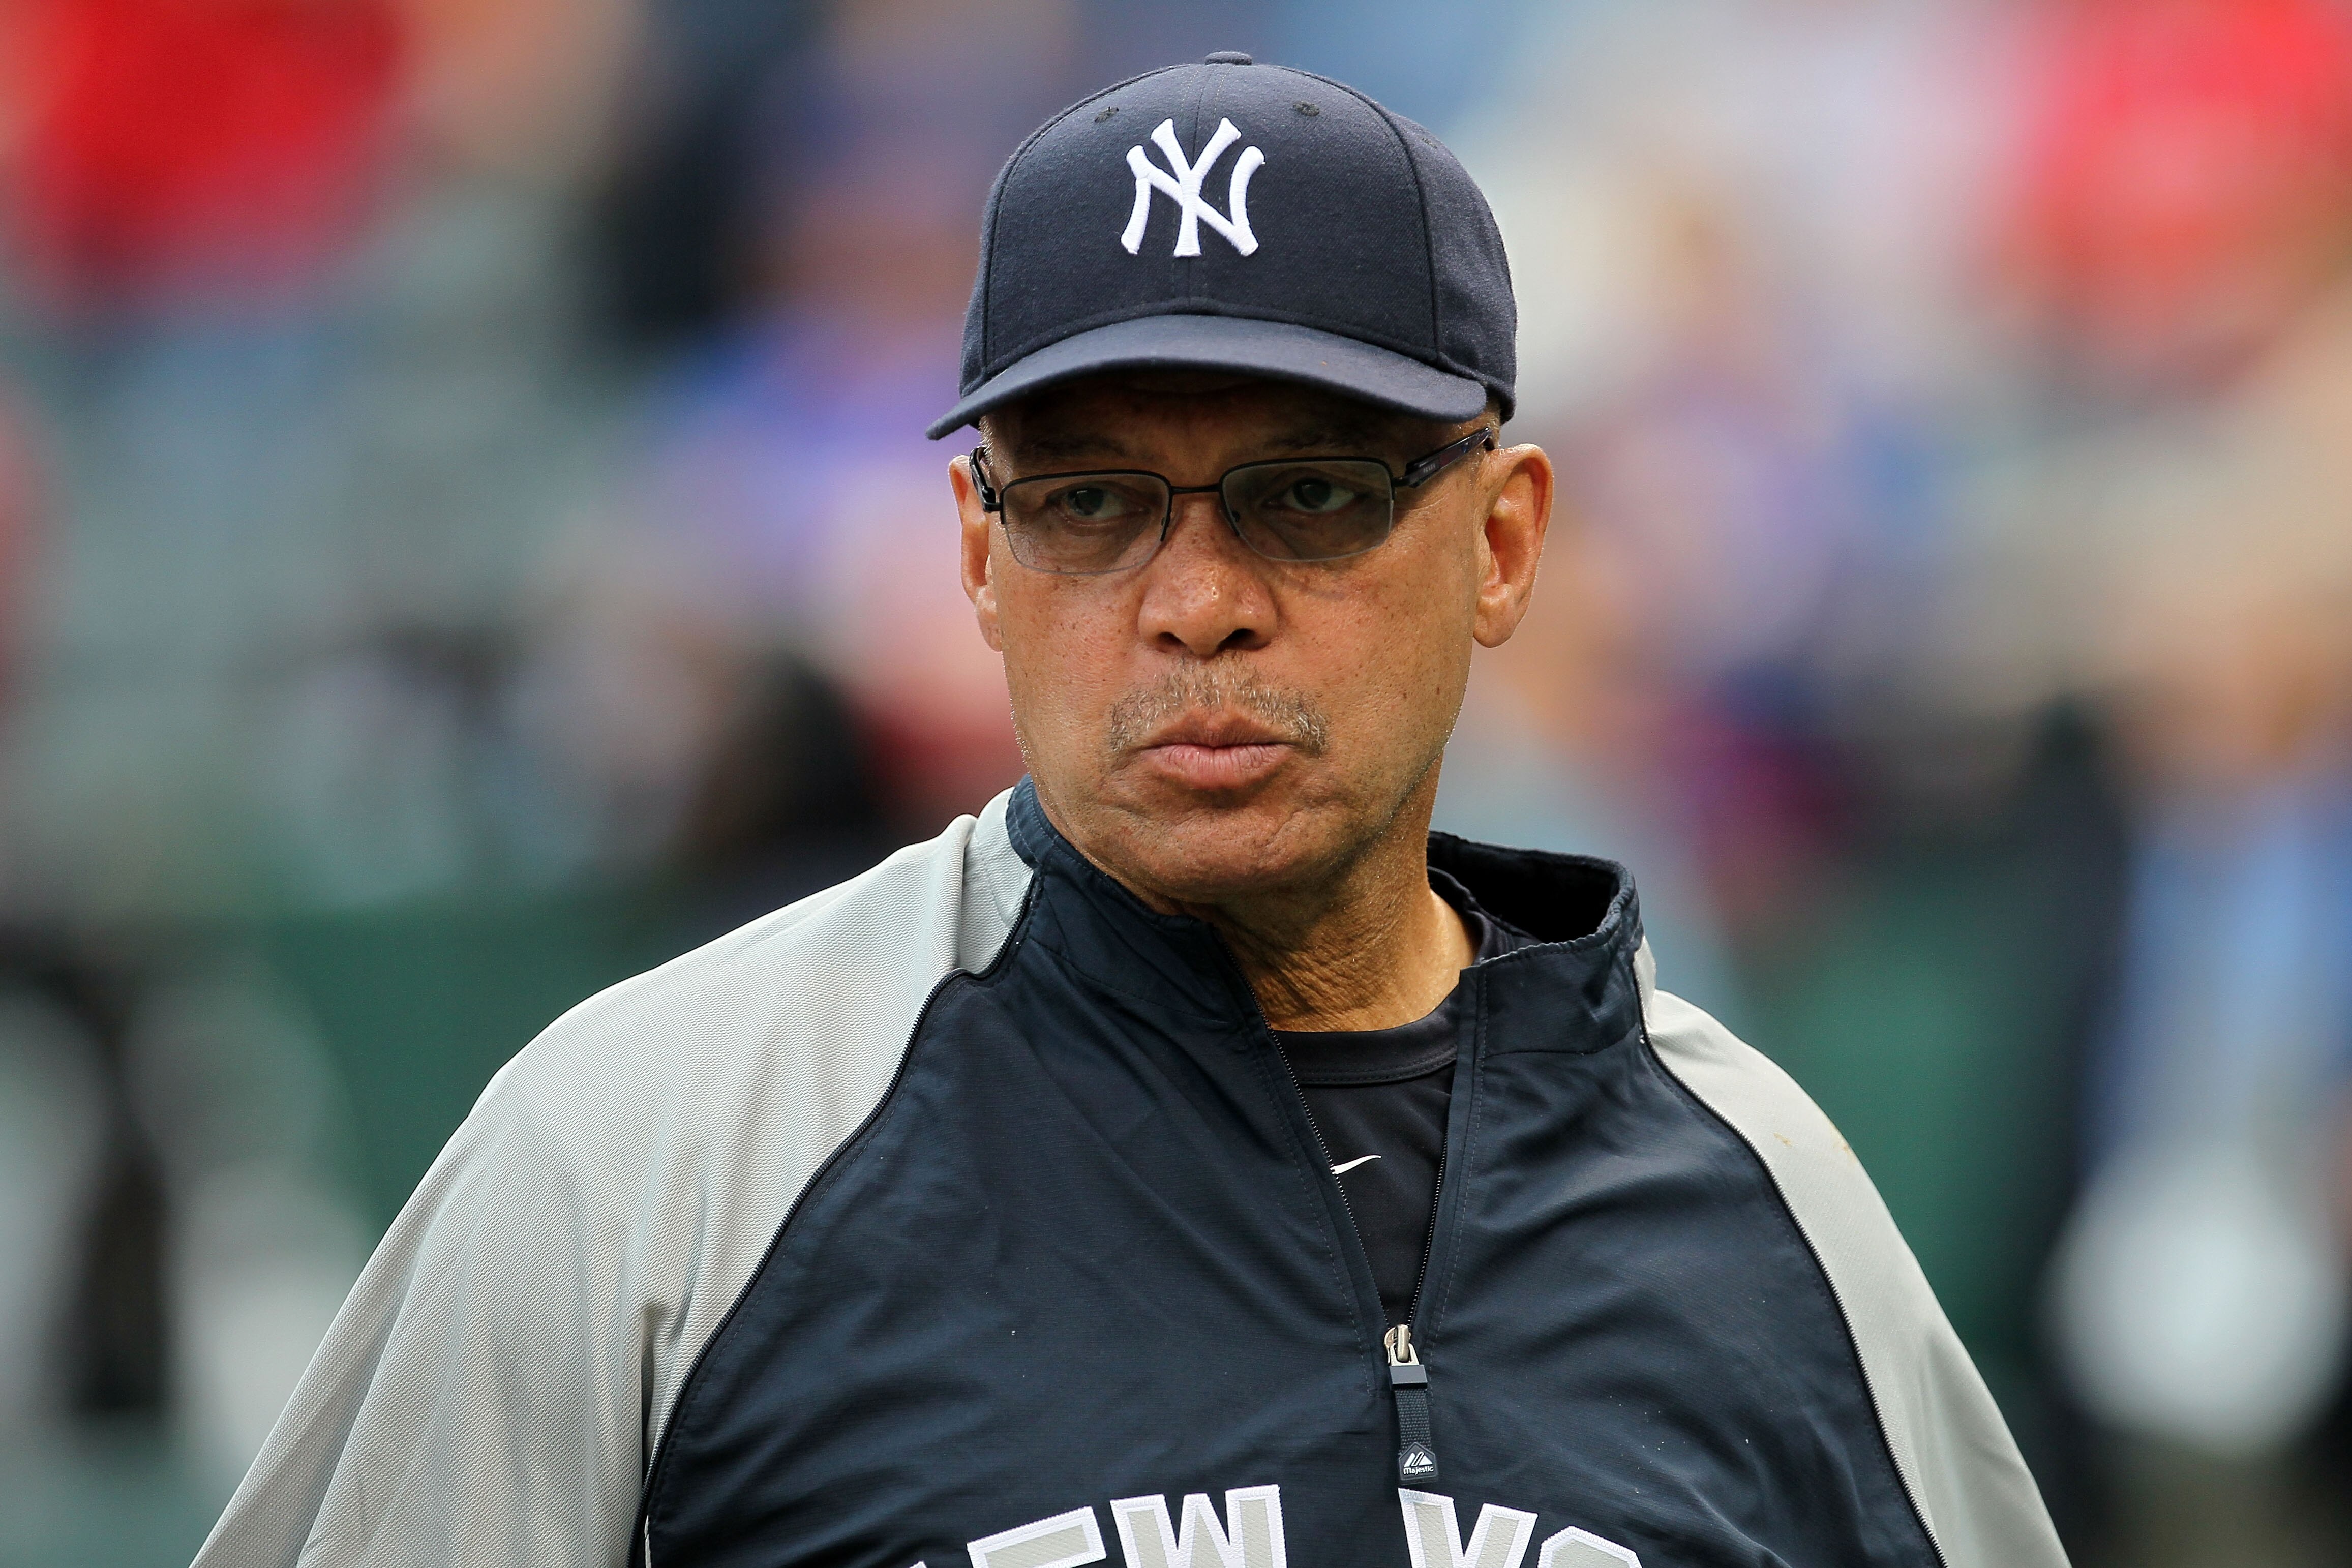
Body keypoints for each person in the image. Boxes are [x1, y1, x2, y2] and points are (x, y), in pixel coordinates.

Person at [194, 55, 2065, 1568]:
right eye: (1088, 502)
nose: (1193, 600)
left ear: (1501, 544)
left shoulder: (1764, 1199)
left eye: (1309, 496)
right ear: (979, 558)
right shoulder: (649, 1160)